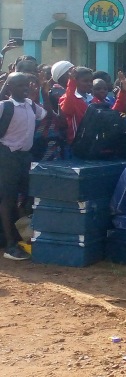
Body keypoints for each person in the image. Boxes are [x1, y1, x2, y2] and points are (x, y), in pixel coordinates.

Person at [0, 73, 47, 260]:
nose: (25, 88)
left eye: (26, 85)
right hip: (8, 156)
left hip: (25, 157)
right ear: (10, 88)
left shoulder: (31, 105)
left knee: (27, 197)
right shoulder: (5, 106)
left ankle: (22, 237)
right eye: (19, 85)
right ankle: (10, 245)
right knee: (8, 199)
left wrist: (43, 92)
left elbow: (46, 114)